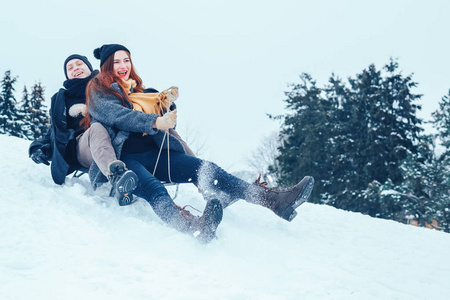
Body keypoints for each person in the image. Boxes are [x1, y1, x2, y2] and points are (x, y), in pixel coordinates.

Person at [82, 44, 315, 243]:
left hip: (155, 152)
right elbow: (118, 117)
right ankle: (194, 226)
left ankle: (273, 201)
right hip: (126, 157)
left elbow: (167, 120)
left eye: (127, 60)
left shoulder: (141, 93)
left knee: (207, 169)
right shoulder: (98, 91)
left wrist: (166, 107)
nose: (124, 66)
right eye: (116, 62)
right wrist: (155, 121)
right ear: (106, 67)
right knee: (155, 189)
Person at [28, 54, 138, 206]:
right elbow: (52, 133)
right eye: (70, 68)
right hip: (82, 147)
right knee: (97, 128)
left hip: (116, 139)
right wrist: (37, 148)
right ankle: (117, 176)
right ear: (67, 75)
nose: (75, 68)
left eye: (79, 64)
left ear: (88, 67)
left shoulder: (105, 86)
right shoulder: (63, 100)